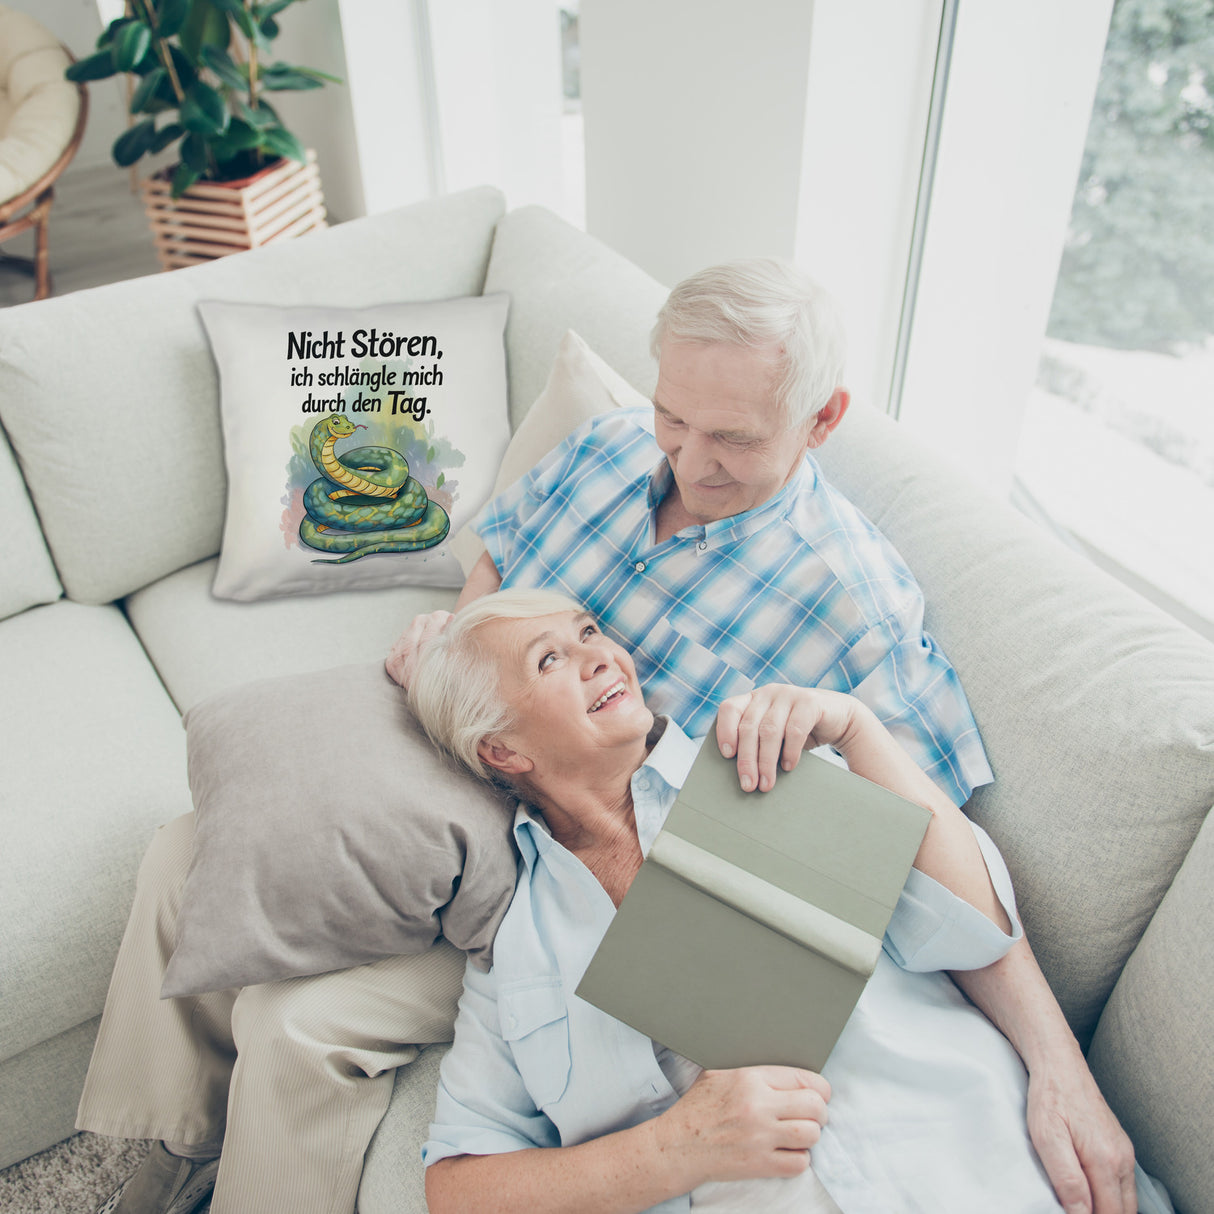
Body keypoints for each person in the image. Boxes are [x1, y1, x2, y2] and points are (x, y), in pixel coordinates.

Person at [389, 259, 1136, 1213]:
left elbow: (945, 886)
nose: (689, 462)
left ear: (822, 420)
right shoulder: (608, 450)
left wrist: (1058, 1069)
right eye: (674, 418)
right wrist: (462, 657)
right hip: (493, 834)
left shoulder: (830, 661)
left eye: (732, 438)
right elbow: (500, 551)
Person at [407, 588, 1161, 1214]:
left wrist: (859, 731)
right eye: (551, 659)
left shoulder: (762, 762)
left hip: (985, 1167)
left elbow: (973, 929)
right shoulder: (516, 951)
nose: (601, 655)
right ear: (502, 750)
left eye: (589, 632)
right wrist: (674, 1149)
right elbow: (458, 1188)